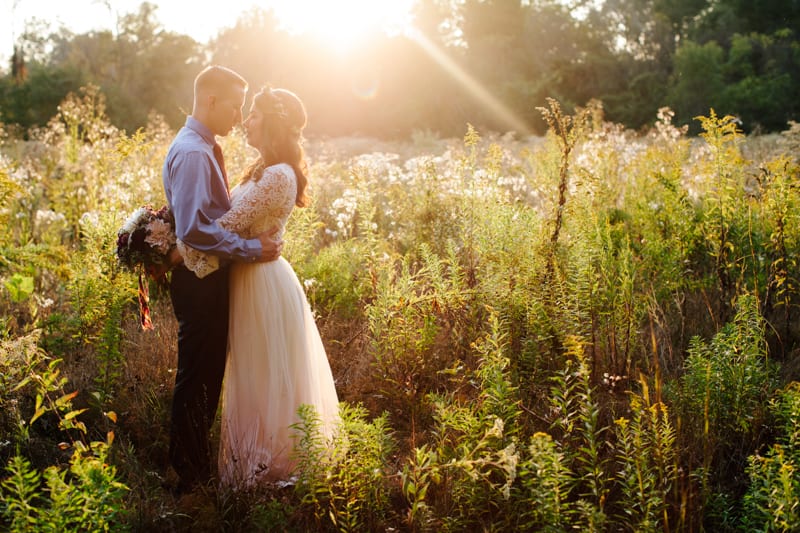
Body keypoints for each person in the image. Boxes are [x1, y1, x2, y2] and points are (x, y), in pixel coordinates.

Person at [178, 87, 340, 488]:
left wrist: (172, 248)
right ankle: (253, 457)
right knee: (251, 370)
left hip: (263, 281)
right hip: (246, 275)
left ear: (272, 122)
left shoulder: (279, 175)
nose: (245, 121)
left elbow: (224, 226)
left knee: (265, 372)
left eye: (253, 115)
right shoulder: (260, 168)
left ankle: (274, 465)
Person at [161, 65, 283, 494]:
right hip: (200, 280)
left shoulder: (202, 145)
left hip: (204, 274)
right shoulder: (195, 152)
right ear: (210, 101)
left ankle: (191, 464)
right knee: (199, 376)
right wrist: (252, 249)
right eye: (234, 106)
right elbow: (195, 228)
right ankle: (188, 476)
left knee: (204, 373)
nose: (238, 115)